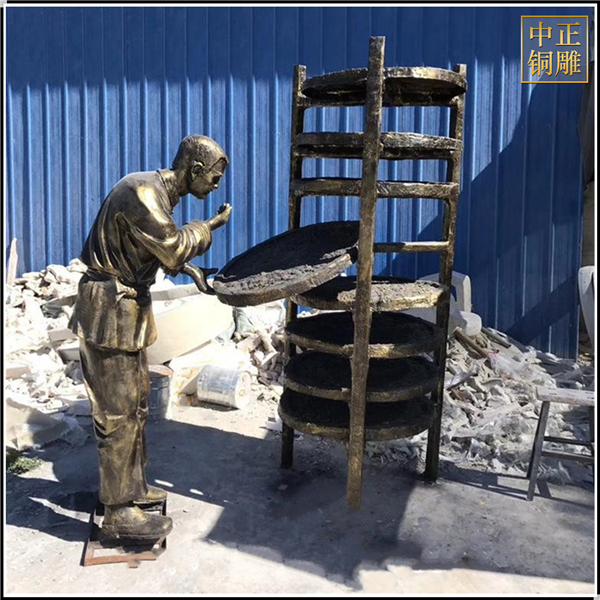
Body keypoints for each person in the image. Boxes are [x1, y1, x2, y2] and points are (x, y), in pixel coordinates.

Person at [69, 135, 231, 540]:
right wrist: (208, 226)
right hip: (109, 311)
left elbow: (149, 248)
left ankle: (132, 488)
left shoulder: (157, 194)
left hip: (127, 309)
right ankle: (118, 512)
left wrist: (189, 270)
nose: (216, 186)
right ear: (195, 169)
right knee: (117, 414)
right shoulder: (143, 192)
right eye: (214, 178)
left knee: (136, 406)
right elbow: (171, 247)